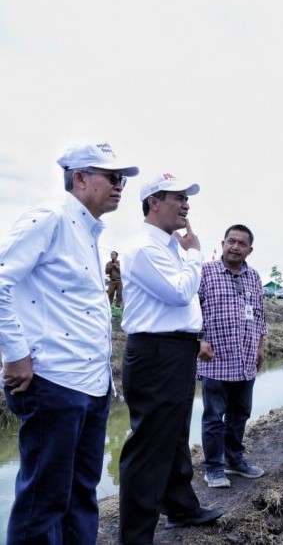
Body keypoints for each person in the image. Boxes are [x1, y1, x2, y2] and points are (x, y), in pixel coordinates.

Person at [0, 141, 138, 544]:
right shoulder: (51, 220)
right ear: (80, 178)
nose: (119, 186)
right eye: (112, 177)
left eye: (123, 180)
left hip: (91, 386)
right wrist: (15, 356)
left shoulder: (89, 233)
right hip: (54, 383)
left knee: (81, 495)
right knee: (43, 500)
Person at [119, 172, 222, 544]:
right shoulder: (145, 249)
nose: (186, 204)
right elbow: (180, 293)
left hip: (176, 349)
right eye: (178, 197)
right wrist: (195, 252)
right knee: (149, 446)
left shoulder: (168, 247)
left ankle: (180, 506)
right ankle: (135, 536)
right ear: (153, 203)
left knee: (175, 434)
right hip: (156, 352)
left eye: (187, 198)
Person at [198, 224, 267, 488]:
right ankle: (214, 467)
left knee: (240, 414)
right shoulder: (206, 272)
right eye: (231, 241)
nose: (235, 247)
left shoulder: (254, 277)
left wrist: (261, 345)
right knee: (214, 416)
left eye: (241, 243)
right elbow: (192, 307)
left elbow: (260, 313)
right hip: (215, 358)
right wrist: (199, 339)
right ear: (223, 243)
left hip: (247, 356)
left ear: (249, 249)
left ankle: (235, 460)